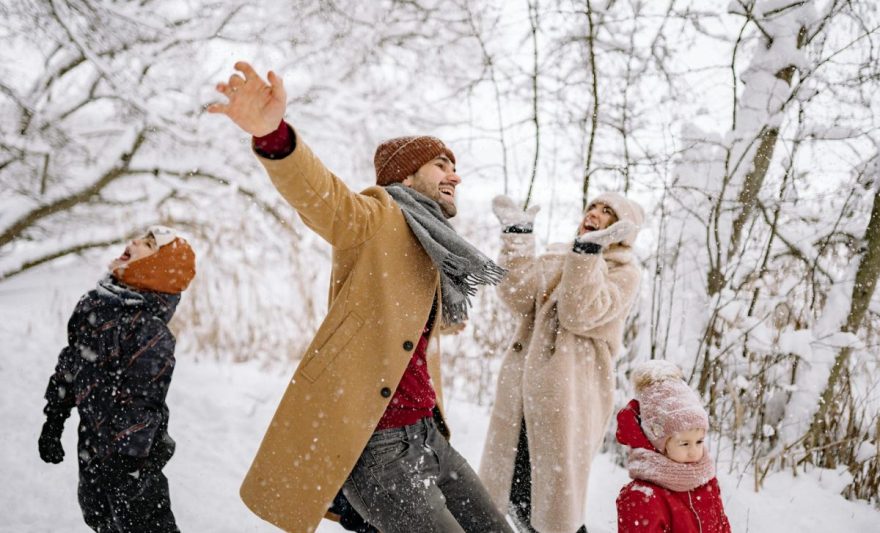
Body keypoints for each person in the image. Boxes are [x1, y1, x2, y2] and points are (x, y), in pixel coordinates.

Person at [207, 61, 513, 533]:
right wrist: (275, 137)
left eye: (455, 167)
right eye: (441, 165)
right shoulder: (377, 216)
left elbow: (403, 327)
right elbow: (324, 198)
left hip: (429, 435)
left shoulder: (431, 244)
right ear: (406, 178)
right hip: (379, 443)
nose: (455, 176)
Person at [479, 193, 644, 533]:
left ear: (623, 229)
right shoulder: (559, 253)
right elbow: (517, 295)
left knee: (554, 510)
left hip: (568, 397)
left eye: (607, 212)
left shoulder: (624, 273)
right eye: (593, 208)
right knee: (509, 494)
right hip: (521, 394)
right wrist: (518, 237)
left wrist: (588, 255)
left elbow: (577, 313)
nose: (595, 214)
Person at [38, 226, 196, 533]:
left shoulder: (150, 331)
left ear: (156, 268)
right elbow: (72, 362)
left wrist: (128, 462)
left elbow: (141, 401)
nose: (134, 241)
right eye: (140, 237)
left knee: (144, 524)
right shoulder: (94, 304)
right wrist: (54, 418)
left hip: (133, 454)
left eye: (148, 244)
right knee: (98, 514)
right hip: (93, 440)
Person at [615, 360, 732, 533]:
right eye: (684, 443)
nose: (694, 451)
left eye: (699, 441)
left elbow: (721, 527)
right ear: (660, 444)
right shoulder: (644, 496)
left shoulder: (705, 481)